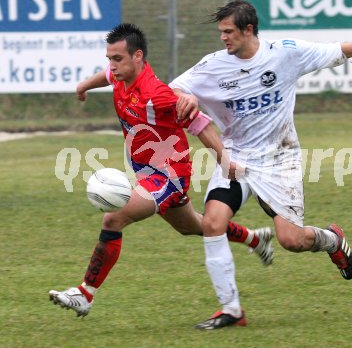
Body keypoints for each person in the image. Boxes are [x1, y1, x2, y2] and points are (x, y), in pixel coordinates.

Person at [170, 0, 352, 329]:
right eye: (220, 32)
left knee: (292, 241)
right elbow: (171, 93)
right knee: (213, 223)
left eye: (228, 32)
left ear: (248, 30)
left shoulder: (286, 53)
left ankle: (331, 240)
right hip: (236, 159)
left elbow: (337, 49)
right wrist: (190, 97)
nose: (223, 38)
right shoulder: (212, 66)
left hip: (279, 160)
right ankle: (231, 310)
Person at [48, 23, 274, 318]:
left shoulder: (157, 95)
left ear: (138, 56)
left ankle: (85, 293)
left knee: (113, 218)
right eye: (109, 58)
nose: (112, 66)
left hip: (169, 174)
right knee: (193, 226)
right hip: (144, 172)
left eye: (118, 59)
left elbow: (199, 123)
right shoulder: (119, 77)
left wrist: (224, 162)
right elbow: (104, 77)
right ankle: (254, 238)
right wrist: (83, 87)